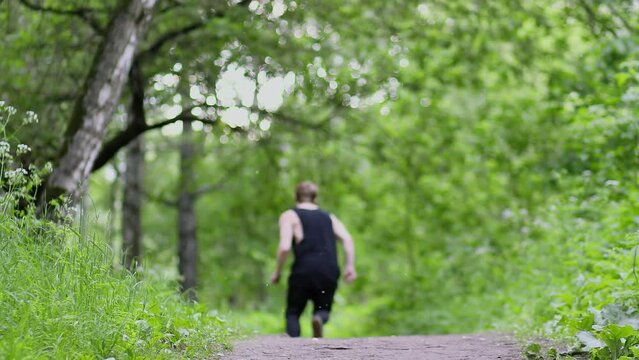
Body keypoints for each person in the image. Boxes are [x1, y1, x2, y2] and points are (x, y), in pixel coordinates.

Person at [270, 181, 356, 338]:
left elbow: (284, 247)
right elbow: (347, 239)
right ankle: (319, 319)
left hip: (304, 270)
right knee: (323, 309)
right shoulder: (329, 217)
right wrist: (349, 266)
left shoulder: (290, 215)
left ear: (296, 196)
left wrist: (277, 271)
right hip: (329, 270)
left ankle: (293, 350)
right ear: (315, 197)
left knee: (293, 313)